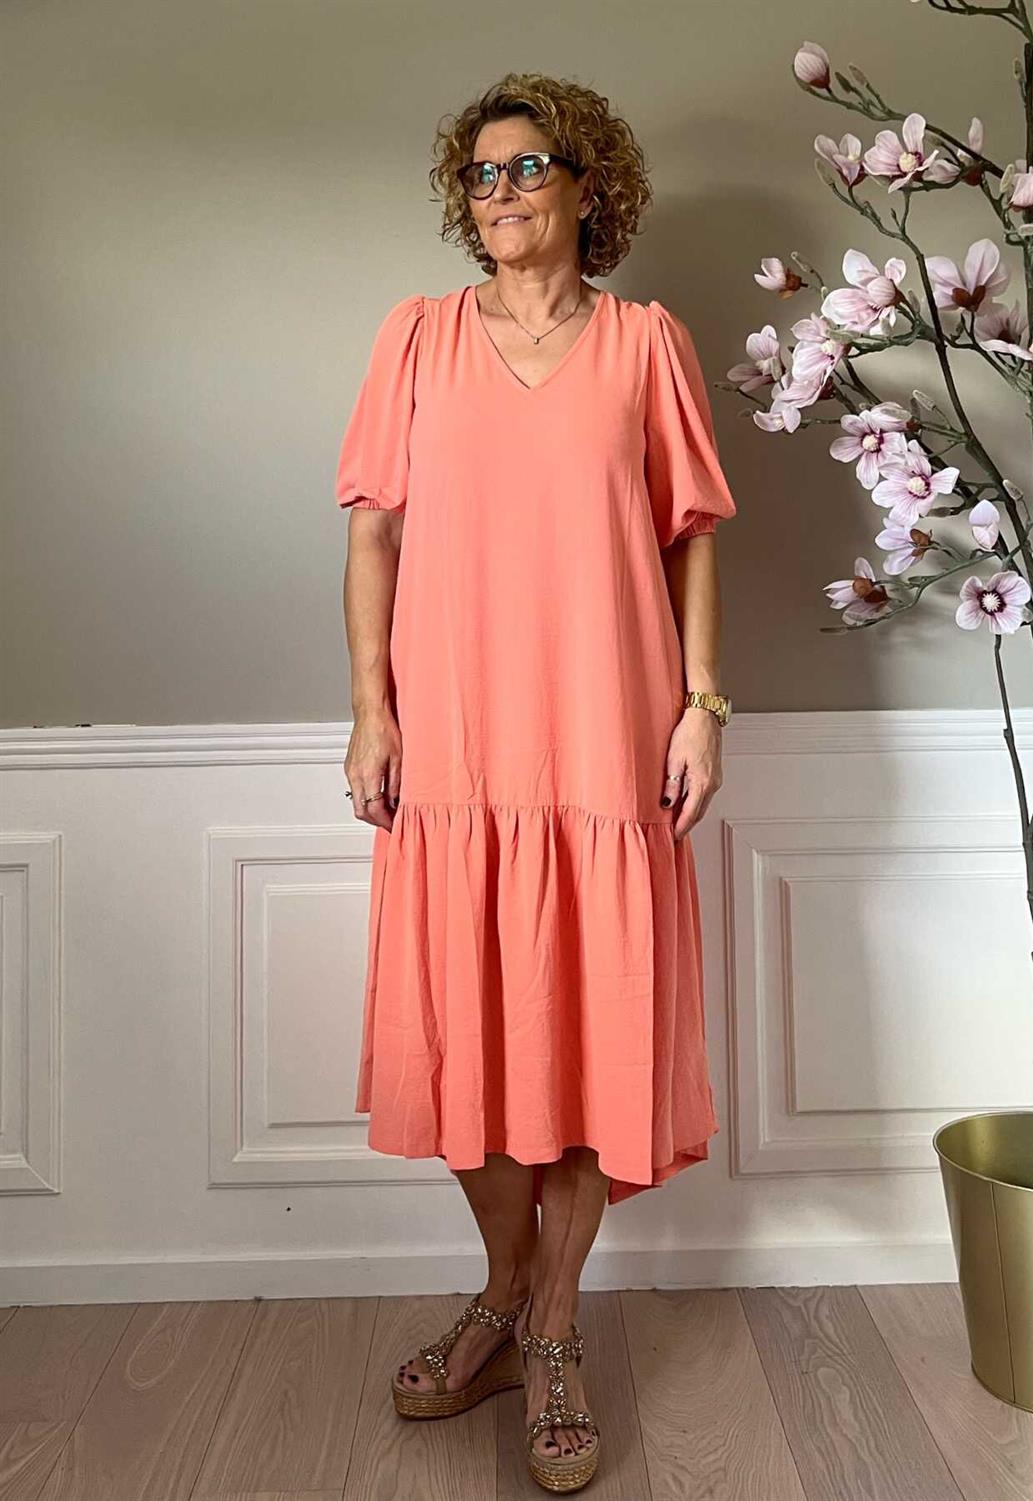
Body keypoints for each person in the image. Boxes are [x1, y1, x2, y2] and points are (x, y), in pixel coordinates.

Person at [335, 70, 737, 1494]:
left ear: (586, 187)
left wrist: (701, 705)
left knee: (590, 1037)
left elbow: (690, 536)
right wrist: (371, 710)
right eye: (480, 174)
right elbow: (374, 536)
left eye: (526, 168)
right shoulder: (417, 338)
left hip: (605, 738)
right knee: (470, 1040)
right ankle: (507, 1296)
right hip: (455, 749)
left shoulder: (646, 344)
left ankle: (551, 1325)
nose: (498, 193)